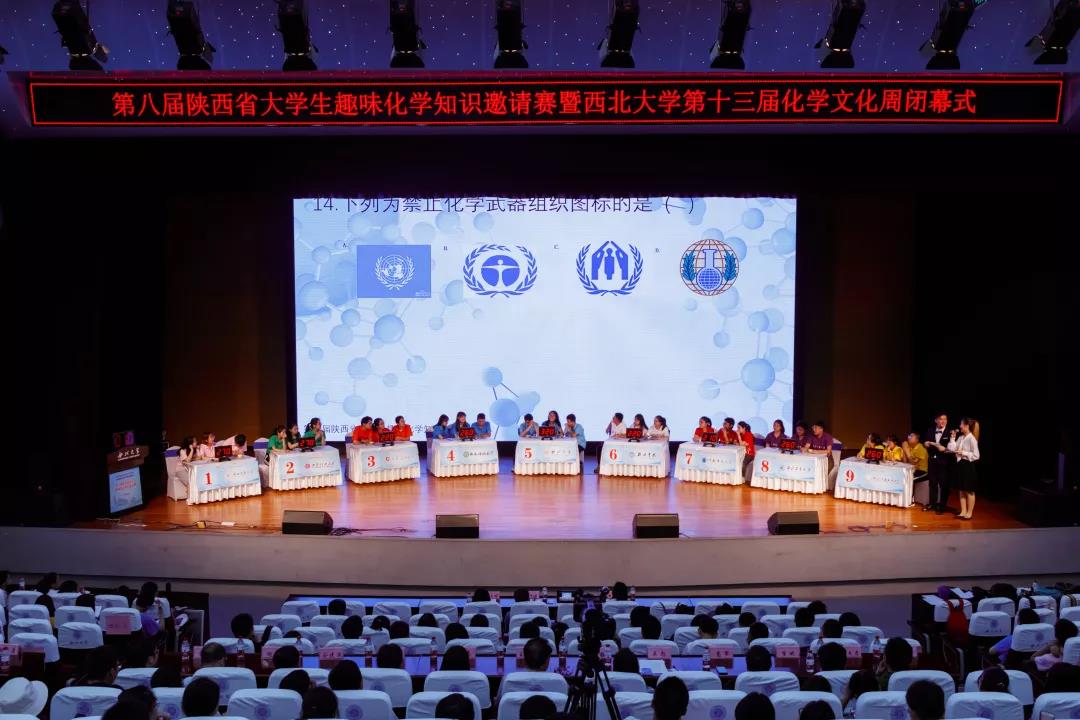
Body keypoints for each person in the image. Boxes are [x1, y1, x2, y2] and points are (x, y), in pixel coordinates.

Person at [947, 417, 980, 520]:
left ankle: (969, 513)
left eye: (961, 424)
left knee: (969, 490)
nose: (960, 426)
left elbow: (976, 455)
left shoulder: (971, 438)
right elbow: (953, 449)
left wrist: (963, 453)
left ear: (966, 426)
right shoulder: (961, 437)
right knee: (961, 489)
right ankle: (963, 511)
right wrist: (952, 438)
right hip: (960, 465)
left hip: (968, 466)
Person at [923, 413, 953, 513]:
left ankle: (942, 506)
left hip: (944, 462)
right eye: (941, 419)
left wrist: (944, 449)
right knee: (932, 483)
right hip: (932, 460)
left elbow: (953, 448)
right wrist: (926, 444)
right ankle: (933, 504)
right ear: (936, 420)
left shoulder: (950, 432)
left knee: (944, 485)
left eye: (945, 419)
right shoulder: (930, 430)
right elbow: (925, 442)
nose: (943, 421)